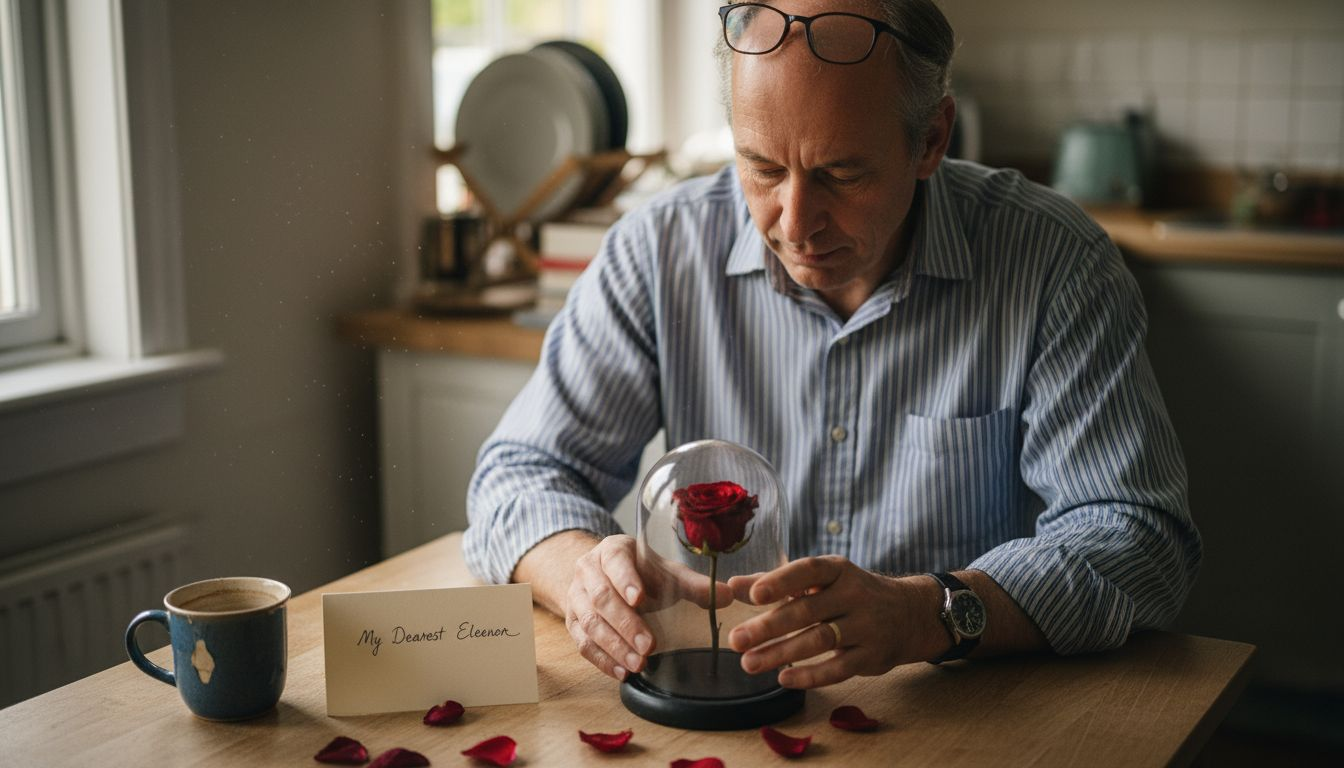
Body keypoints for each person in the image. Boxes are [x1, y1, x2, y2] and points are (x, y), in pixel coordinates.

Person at [464, 0, 1201, 689]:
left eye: (841, 173)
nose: (794, 221)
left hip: (966, 712)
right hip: (724, 704)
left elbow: (1138, 541)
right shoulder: (656, 252)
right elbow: (520, 476)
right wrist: (582, 574)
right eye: (760, 167)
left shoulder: (1053, 263)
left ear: (931, 139)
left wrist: (931, 613)